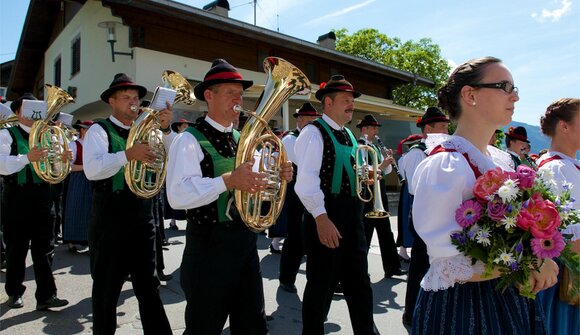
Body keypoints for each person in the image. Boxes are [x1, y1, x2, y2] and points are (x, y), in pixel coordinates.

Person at [410, 56, 558, 334]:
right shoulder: (445, 165)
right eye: (504, 86)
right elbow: (448, 263)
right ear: (470, 95)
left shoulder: (500, 161)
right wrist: (528, 263)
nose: (514, 96)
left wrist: (539, 254)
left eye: (515, 88)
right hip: (465, 307)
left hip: (506, 297)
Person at [166, 59, 292, 334]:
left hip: (244, 243)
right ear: (209, 96)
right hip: (209, 246)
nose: (238, 99)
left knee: (252, 325)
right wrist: (228, 181)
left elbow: (259, 185)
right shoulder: (188, 140)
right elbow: (176, 196)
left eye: (240, 93)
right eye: (230, 93)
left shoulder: (242, 138)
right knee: (204, 327)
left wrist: (279, 176)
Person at [84, 73, 172, 335]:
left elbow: (171, 158)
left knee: (149, 285)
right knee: (107, 287)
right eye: (126, 98)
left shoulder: (149, 130)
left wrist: (166, 130)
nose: (133, 103)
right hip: (110, 215)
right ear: (112, 101)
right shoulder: (99, 130)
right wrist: (127, 155)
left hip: (142, 214)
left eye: (136, 98)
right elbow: (92, 169)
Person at [295, 74, 380, 334]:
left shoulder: (350, 136)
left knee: (360, 286)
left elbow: (349, 169)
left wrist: (366, 173)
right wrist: (321, 218)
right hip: (327, 214)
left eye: (352, 100)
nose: (351, 105)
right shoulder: (313, 132)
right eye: (346, 100)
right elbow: (306, 182)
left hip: (352, 215)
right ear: (328, 102)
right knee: (320, 286)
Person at [0, 93, 69, 310]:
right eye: (26, 110)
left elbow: (57, 171)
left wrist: (64, 160)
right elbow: (2, 165)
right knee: (16, 249)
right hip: (16, 196)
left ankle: (47, 295)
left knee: (45, 248)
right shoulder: (7, 134)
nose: (32, 115)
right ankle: (14, 292)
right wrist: (27, 158)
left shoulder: (49, 135)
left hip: (43, 196)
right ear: (18, 112)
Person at [400, 106, 450, 327]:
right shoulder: (417, 153)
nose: (447, 130)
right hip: (423, 213)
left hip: (440, 214)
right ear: (428, 128)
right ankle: (410, 312)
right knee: (420, 265)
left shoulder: (443, 151)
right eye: (442, 126)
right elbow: (414, 187)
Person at [536, 97, 580, 335]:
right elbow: (571, 236)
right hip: (569, 275)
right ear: (564, 126)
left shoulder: (568, 165)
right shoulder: (556, 168)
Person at [356, 114, 407, 278]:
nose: (376, 131)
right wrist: (382, 164)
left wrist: (387, 162)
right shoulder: (360, 146)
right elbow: (362, 168)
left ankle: (392, 267)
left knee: (386, 232)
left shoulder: (376, 148)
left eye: (376, 128)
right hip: (367, 193)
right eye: (373, 128)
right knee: (366, 233)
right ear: (364, 129)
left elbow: (386, 171)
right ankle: (360, 270)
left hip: (380, 192)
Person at [278, 102, 321, 293]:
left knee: (314, 236)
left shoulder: (314, 136)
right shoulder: (290, 139)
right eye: (310, 120)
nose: (313, 124)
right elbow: (303, 163)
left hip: (313, 189)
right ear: (301, 120)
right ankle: (287, 278)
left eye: (315, 120)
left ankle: (318, 280)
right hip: (295, 192)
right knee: (295, 236)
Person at [63, 120, 93, 253]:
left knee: (90, 210)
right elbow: (68, 167)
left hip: (92, 180)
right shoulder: (73, 145)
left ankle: (87, 239)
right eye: (87, 129)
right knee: (75, 207)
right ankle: (73, 240)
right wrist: (86, 167)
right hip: (78, 180)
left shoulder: (94, 145)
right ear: (81, 130)